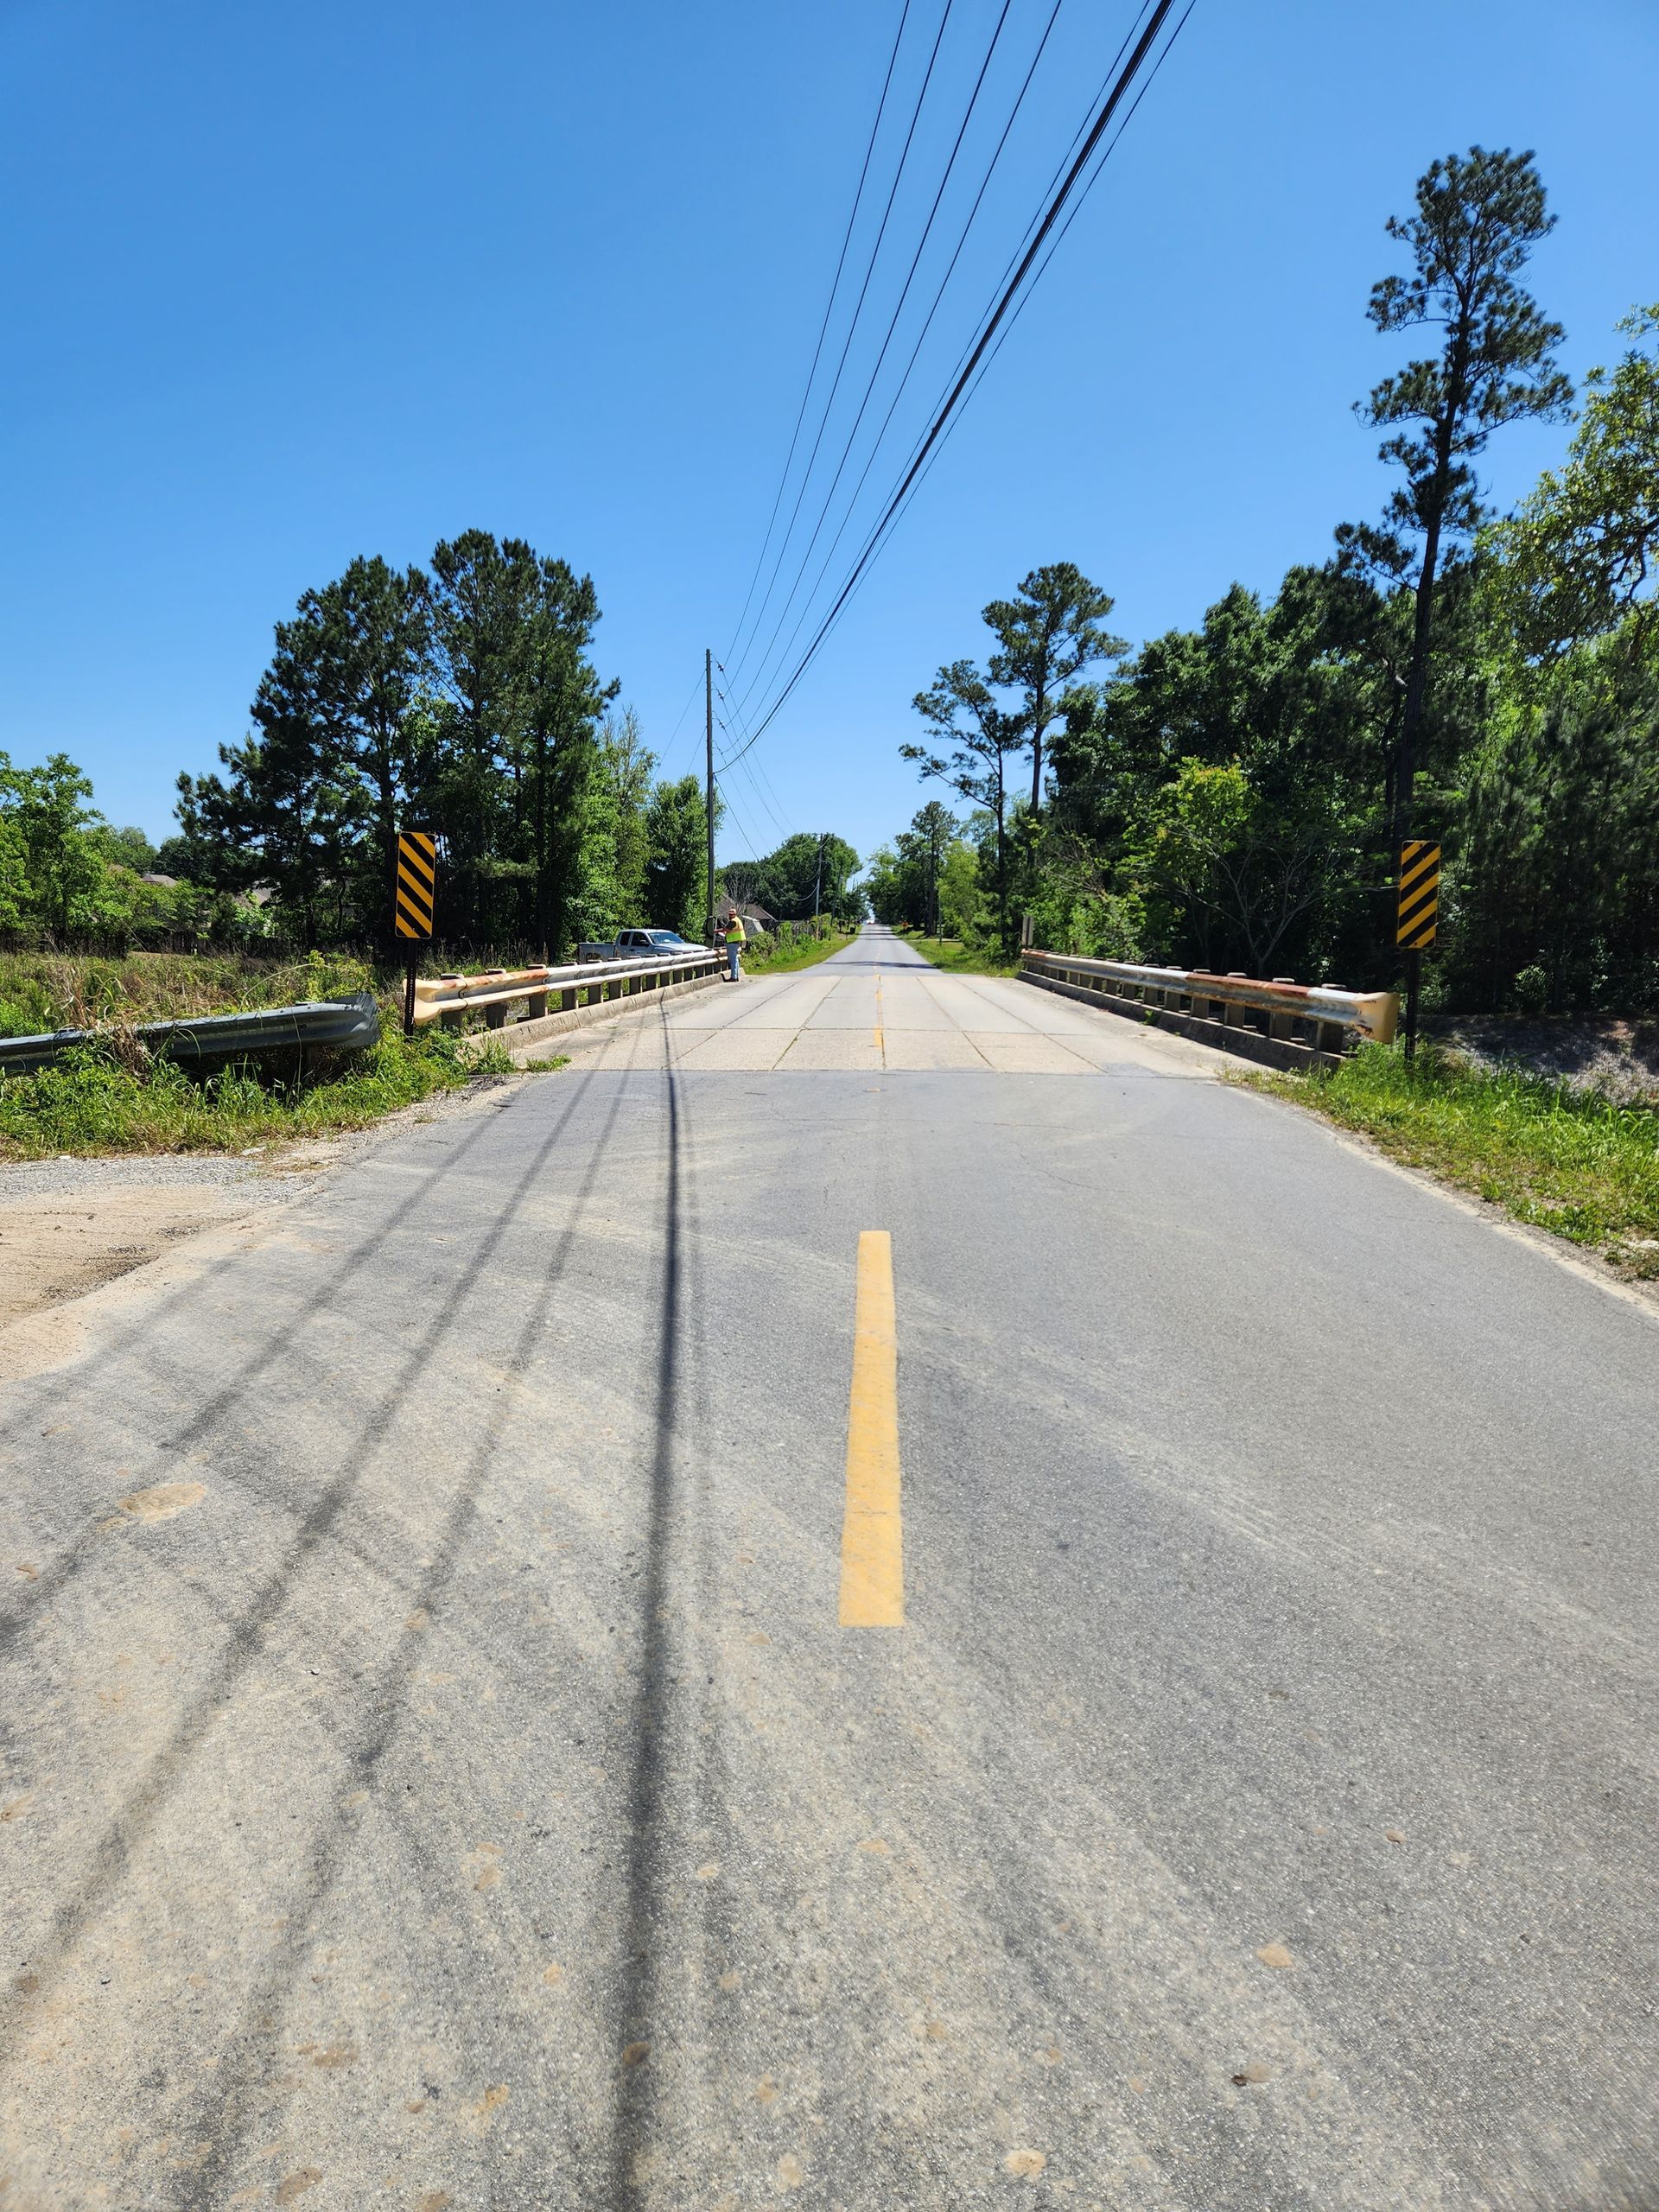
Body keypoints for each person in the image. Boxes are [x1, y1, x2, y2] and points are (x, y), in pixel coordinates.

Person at [722, 906, 747, 982]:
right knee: (735, 960)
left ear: (734, 914)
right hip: (736, 942)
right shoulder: (738, 920)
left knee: (732, 960)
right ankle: (736, 976)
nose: (730, 916)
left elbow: (726, 929)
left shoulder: (733, 921)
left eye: (731, 914)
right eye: (729, 914)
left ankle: (733, 977)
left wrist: (715, 931)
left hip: (732, 942)